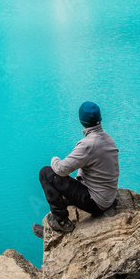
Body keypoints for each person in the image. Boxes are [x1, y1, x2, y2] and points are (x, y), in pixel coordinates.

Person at [34, 101, 119, 237]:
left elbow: (61, 169)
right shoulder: (108, 139)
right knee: (69, 180)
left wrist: (54, 159)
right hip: (108, 196)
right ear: (100, 118)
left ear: (81, 121)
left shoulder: (87, 145)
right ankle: (63, 204)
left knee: (46, 173)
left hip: (96, 203)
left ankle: (60, 221)